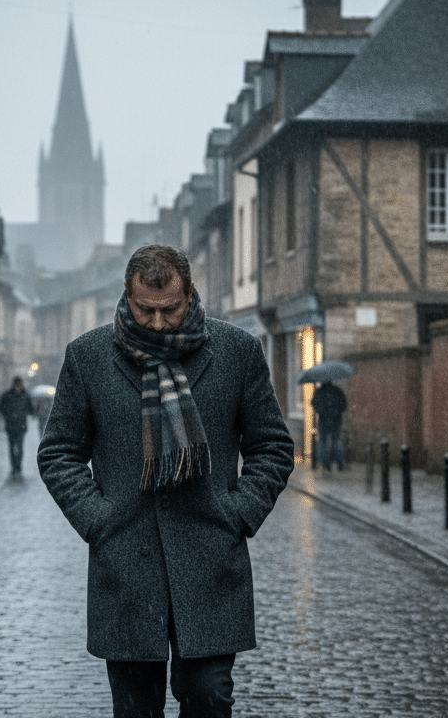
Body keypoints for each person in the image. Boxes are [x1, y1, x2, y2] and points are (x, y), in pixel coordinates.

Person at [38, 245, 294, 718]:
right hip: (126, 568)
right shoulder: (88, 357)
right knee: (135, 711)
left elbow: (272, 447)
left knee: (210, 698)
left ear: (190, 293)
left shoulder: (238, 352)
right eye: (145, 309)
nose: (157, 323)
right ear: (126, 295)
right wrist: (98, 520)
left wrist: (237, 513)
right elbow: (59, 453)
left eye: (170, 310)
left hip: (212, 564)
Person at [0, 376, 35, 476]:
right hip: (11, 425)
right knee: (12, 447)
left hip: (21, 426)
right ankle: (14, 466)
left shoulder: (25, 395)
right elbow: (1, 407)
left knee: (19, 447)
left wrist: (33, 411)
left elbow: (31, 409)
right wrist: (9, 414)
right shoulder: (7, 395)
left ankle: (18, 466)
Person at [310, 380, 347, 471]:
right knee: (336, 439)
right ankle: (339, 461)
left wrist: (321, 411)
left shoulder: (319, 391)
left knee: (322, 440)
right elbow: (344, 404)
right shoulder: (337, 390)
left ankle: (323, 461)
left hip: (323, 419)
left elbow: (313, 403)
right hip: (335, 419)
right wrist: (337, 412)